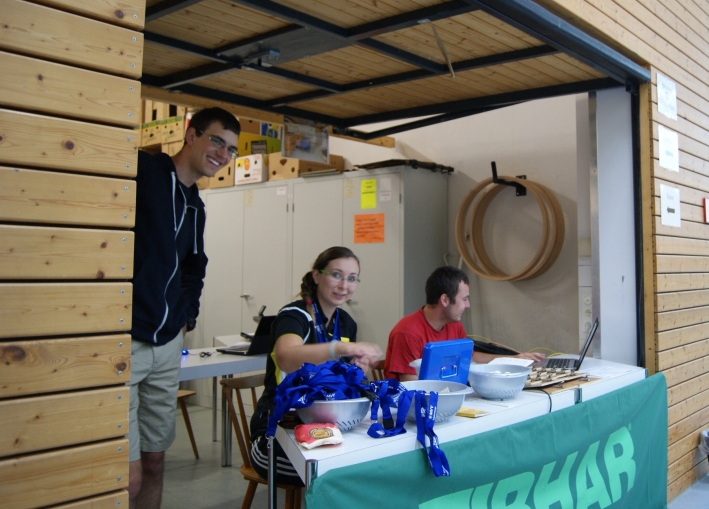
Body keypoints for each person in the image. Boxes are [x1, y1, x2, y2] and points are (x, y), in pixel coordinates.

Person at [127, 107, 240, 509]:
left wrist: (186, 316)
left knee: (155, 461)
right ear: (191, 135)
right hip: (126, 341)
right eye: (217, 141)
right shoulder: (145, 172)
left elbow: (194, 267)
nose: (223, 154)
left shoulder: (196, 206)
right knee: (126, 473)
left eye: (231, 149)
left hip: (167, 345)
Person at [247, 246, 381, 485]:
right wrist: (337, 348)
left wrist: (358, 369)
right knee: (337, 476)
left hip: (328, 427)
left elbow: (341, 381)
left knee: (369, 464)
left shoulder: (346, 322)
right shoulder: (294, 316)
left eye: (352, 278)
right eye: (336, 275)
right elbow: (286, 357)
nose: (344, 285)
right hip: (278, 432)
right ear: (317, 276)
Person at [383, 266, 545, 381]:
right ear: (445, 300)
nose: (468, 305)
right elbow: (410, 384)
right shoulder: (407, 332)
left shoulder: (453, 323)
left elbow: (471, 357)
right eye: (465, 299)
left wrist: (514, 358)